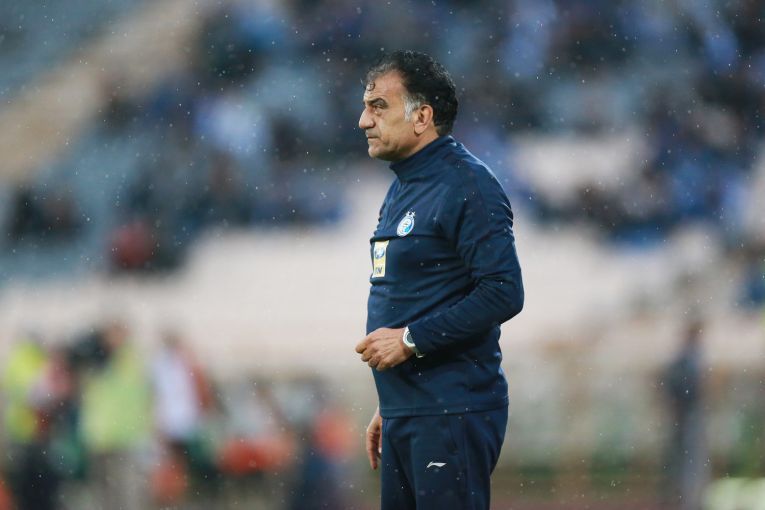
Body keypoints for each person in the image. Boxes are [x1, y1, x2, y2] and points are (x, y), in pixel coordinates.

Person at [354, 50, 524, 510]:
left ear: (422, 117)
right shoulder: (403, 187)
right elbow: (419, 292)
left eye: (378, 106)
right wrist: (395, 402)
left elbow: (503, 291)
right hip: (411, 409)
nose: (364, 121)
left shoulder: (467, 185)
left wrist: (410, 341)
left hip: (450, 409)